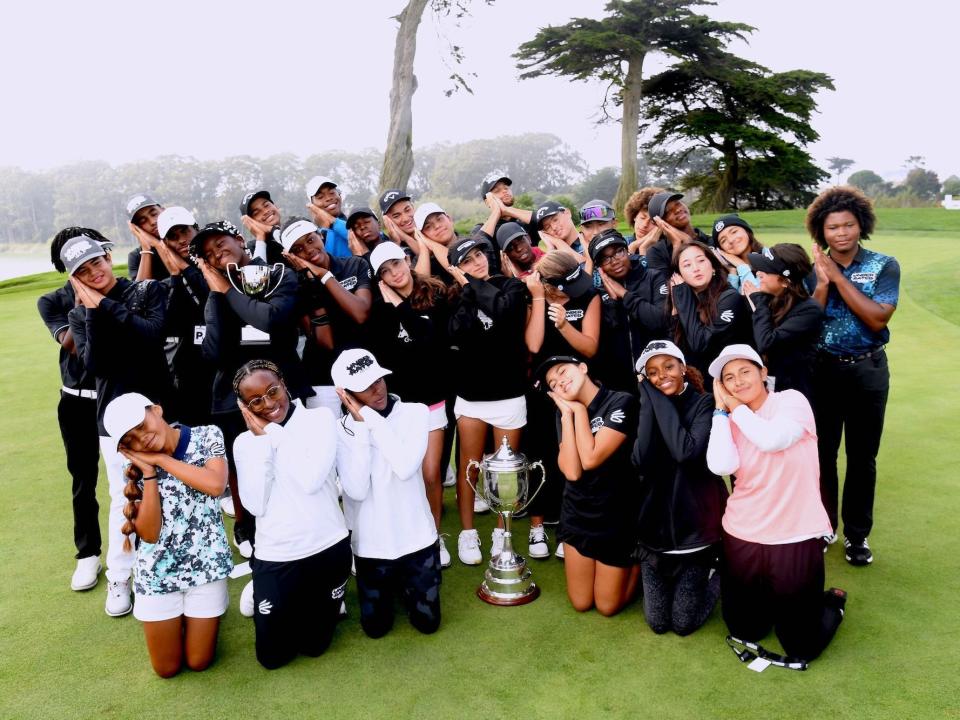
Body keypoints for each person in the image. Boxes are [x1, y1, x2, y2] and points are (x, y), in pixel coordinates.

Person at [706, 344, 846, 663]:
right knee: (746, 630)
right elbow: (720, 465)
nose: (738, 381)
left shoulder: (791, 401)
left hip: (793, 534)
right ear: (722, 386)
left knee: (801, 645)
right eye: (728, 378)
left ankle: (832, 604)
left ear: (763, 373)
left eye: (745, 372)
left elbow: (772, 440)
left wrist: (734, 408)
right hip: (743, 532)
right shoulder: (729, 419)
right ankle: (772, 600)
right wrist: (719, 411)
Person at [63, 233, 173, 617]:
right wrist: (93, 312)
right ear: (74, 278)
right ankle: (121, 577)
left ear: (109, 258)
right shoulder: (79, 314)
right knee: (124, 499)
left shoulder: (147, 290)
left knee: (171, 490)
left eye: (97, 262)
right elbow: (95, 366)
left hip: (158, 408)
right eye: (82, 270)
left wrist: (106, 306)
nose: (94, 272)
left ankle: (167, 570)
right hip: (113, 419)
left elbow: (152, 336)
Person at [193, 220, 312, 558]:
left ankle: (305, 528)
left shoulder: (277, 274)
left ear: (239, 239)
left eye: (221, 243)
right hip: (234, 397)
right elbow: (214, 352)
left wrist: (229, 292)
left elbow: (272, 320)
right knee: (246, 467)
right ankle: (248, 527)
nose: (217, 253)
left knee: (294, 463)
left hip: (284, 387)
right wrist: (218, 295)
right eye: (209, 253)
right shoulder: (215, 290)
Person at [232, 360, 351, 669]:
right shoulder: (245, 443)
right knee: (272, 658)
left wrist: (272, 432)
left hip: (328, 548)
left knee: (315, 647)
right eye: (255, 401)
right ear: (245, 407)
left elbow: (310, 479)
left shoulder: (321, 418)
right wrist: (261, 443)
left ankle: (289, 599)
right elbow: (256, 505)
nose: (269, 403)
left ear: (284, 383)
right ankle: (261, 589)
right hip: (278, 556)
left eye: (272, 391)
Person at [105, 392, 231, 678]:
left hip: (207, 571)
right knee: (166, 669)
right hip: (158, 576)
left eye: (140, 426)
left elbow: (215, 485)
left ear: (157, 410)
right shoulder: (136, 467)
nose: (141, 439)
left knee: (199, 661)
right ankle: (183, 620)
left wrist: (161, 459)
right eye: (130, 440)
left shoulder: (207, 435)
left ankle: (194, 619)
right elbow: (149, 534)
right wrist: (149, 473)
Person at [806, 186, 899, 565]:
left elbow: (878, 316)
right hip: (823, 371)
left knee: (863, 458)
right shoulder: (813, 270)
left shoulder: (883, 264)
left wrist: (839, 279)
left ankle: (857, 536)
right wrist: (823, 283)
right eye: (833, 227)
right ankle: (825, 526)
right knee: (822, 455)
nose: (841, 233)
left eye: (848, 225)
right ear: (821, 232)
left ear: (861, 226)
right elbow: (809, 322)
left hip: (868, 370)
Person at [333, 349, 442, 638]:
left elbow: (405, 467)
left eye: (379, 379)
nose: (377, 388)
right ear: (346, 395)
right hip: (372, 545)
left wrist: (371, 417)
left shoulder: (416, 412)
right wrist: (360, 428)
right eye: (365, 386)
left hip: (417, 539)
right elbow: (355, 489)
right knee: (376, 629)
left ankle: (408, 586)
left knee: (428, 624)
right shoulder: (341, 430)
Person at [632, 340, 726, 636]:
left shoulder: (704, 403)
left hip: (695, 529)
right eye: (653, 373)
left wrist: (650, 391)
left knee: (683, 624)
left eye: (669, 367)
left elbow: (685, 452)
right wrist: (649, 399)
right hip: (654, 531)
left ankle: (720, 573)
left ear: (683, 368)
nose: (663, 376)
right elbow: (640, 459)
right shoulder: (647, 401)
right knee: (658, 624)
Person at [369, 242, 455, 566]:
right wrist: (389, 307)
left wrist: (401, 308)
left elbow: (432, 344)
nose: (395, 273)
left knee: (432, 473)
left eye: (396, 264)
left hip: (433, 399)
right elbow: (383, 358)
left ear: (407, 259)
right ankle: (413, 535)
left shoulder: (436, 293)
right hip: (399, 405)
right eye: (386, 271)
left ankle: (433, 536)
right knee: (409, 475)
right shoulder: (379, 309)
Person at [39, 228, 113, 591]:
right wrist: (85, 296)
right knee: (83, 481)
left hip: (117, 397)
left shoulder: (115, 285)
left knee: (133, 479)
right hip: (76, 401)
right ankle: (88, 555)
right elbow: (71, 344)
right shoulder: (52, 301)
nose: (89, 263)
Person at [447, 236, 528, 565]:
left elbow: (505, 312)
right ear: (456, 269)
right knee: (470, 468)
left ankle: (501, 532)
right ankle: (468, 534)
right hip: (471, 396)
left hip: (509, 394)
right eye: (467, 260)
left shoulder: (512, 287)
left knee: (504, 472)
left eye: (479, 254)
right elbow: (456, 332)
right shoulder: (455, 297)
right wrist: (466, 291)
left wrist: (471, 285)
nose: (478, 261)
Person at [539, 356, 640, 616]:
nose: (559, 382)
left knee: (607, 607)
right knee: (581, 603)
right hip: (578, 515)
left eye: (563, 372)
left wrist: (580, 411)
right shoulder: (564, 412)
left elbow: (591, 458)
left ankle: (641, 562)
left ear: (583, 368)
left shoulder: (621, 401)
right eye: (553, 382)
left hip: (615, 516)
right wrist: (566, 417)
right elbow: (572, 471)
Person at [524, 252, 601, 557]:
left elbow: (591, 348)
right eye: (564, 286)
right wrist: (541, 301)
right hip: (544, 389)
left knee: (574, 458)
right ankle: (537, 527)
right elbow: (533, 345)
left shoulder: (589, 296)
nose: (573, 291)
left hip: (578, 388)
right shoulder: (535, 298)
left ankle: (568, 528)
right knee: (540, 454)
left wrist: (565, 326)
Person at [278, 216, 373, 416]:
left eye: (310, 240)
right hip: (322, 377)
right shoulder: (295, 285)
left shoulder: (355, 265)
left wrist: (324, 276)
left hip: (364, 369)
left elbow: (360, 314)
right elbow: (325, 342)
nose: (308, 250)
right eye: (298, 249)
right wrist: (312, 285)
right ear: (290, 257)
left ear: (321, 236)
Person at [154, 207, 215, 426]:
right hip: (191, 374)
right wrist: (175, 275)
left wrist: (183, 267)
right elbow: (171, 323)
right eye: (172, 237)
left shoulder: (217, 263)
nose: (181, 240)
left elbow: (212, 297)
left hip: (223, 366)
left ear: (196, 230)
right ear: (164, 244)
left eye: (185, 232)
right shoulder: (168, 282)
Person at [590, 228, 669, 393]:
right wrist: (613, 303)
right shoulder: (598, 294)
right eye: (605, 258)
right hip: (619, 385)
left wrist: (625, 295)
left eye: (618, 252)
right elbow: (605, 341)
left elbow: (660, 321)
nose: (614, 261)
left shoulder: (654, 277)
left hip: (659, 375)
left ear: (627, 251)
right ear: (599, 267)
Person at [741, 245, 823, 400]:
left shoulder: (809, 310)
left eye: (766, 270)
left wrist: (759, 302)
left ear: (785, 282)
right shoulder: (772, 299)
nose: (758, 273)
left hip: (797, 394)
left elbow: (766, 341)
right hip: (771, 388)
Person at [665, 241, 753, 379]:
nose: (695, 268)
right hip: (702, 386)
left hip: (735, 381)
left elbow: (700, 343)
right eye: (687, 265)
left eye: (700, 261)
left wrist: (682, 298)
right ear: (679, 275)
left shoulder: (730, 298)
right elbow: (677, 351)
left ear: (713, 267)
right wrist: (676, 311)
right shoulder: (686, 301)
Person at [644, 192, 712, 275]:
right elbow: (670, 285)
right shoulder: (656, 253)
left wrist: (688, 241)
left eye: (678, 204)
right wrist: (677, 245)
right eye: (668, 211)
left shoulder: (711, 240)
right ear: (658, 222)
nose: (677, 210)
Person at [477, 172, 540, 246]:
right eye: (497, 191)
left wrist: (507, 210)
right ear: (488, 202)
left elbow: (545, 219)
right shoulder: (483, 229)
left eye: (506, 188)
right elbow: (480, 245)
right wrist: (496, 212)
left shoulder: (525, 220)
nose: (504, 191)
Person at [125, 193, 171, 282]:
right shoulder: (136, 257)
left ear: (163, 210)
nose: (153, 222)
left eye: (154, 214)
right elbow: (141, 293)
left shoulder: (183, 241)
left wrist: (157, 245)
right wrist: (146, 248)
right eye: (143, 221)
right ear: (136, 228)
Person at [710, 214, 762, 291]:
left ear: (746, 231)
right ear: (721, 250)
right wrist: (732, 272)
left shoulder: (770, 257)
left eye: (734, 232)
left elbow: (758, 295)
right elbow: (731, 300)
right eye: (723, 241)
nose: (730, 240)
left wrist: (741, 265)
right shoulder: (728, 274)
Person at [304, 176, 352, 258]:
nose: (329, 198)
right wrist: (325, 229)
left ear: (339, 195)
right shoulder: (313, 238)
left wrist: (331, 221)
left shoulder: (356, 221)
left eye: (332, 193)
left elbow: (358, 236)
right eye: (320, 197)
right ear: (312, 205)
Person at [238, 190, 287, 266]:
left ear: (275, 206)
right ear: (250, 222)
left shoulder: (295, 226)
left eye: (266, 205)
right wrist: (260, 236)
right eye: (256, 213)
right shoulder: (251, 248)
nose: (265, 211)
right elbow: (258, 275)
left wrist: (271, 230)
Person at [623, 186, 665, 255]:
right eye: (642, 217)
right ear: (634, 216)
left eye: (653, 222)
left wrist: (642, 248)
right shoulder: (620, 243)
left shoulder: (665, 250)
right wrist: (632, 247)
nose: (645, 224)